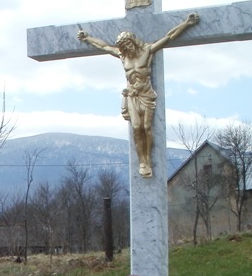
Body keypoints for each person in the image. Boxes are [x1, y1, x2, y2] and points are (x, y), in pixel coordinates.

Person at [77, 13, 200, 178]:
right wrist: (87, 38)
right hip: (132, 97)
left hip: (146, 95)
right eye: (121, 47)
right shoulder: (122, 56)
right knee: (136, 128)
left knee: (147, 127)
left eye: (126, 45)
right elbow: (104, 47)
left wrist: (186, 23)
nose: (124, 49)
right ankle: (142, 161)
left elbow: (169, 37)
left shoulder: (147, 51)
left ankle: (148, 158)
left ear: (132, 42)